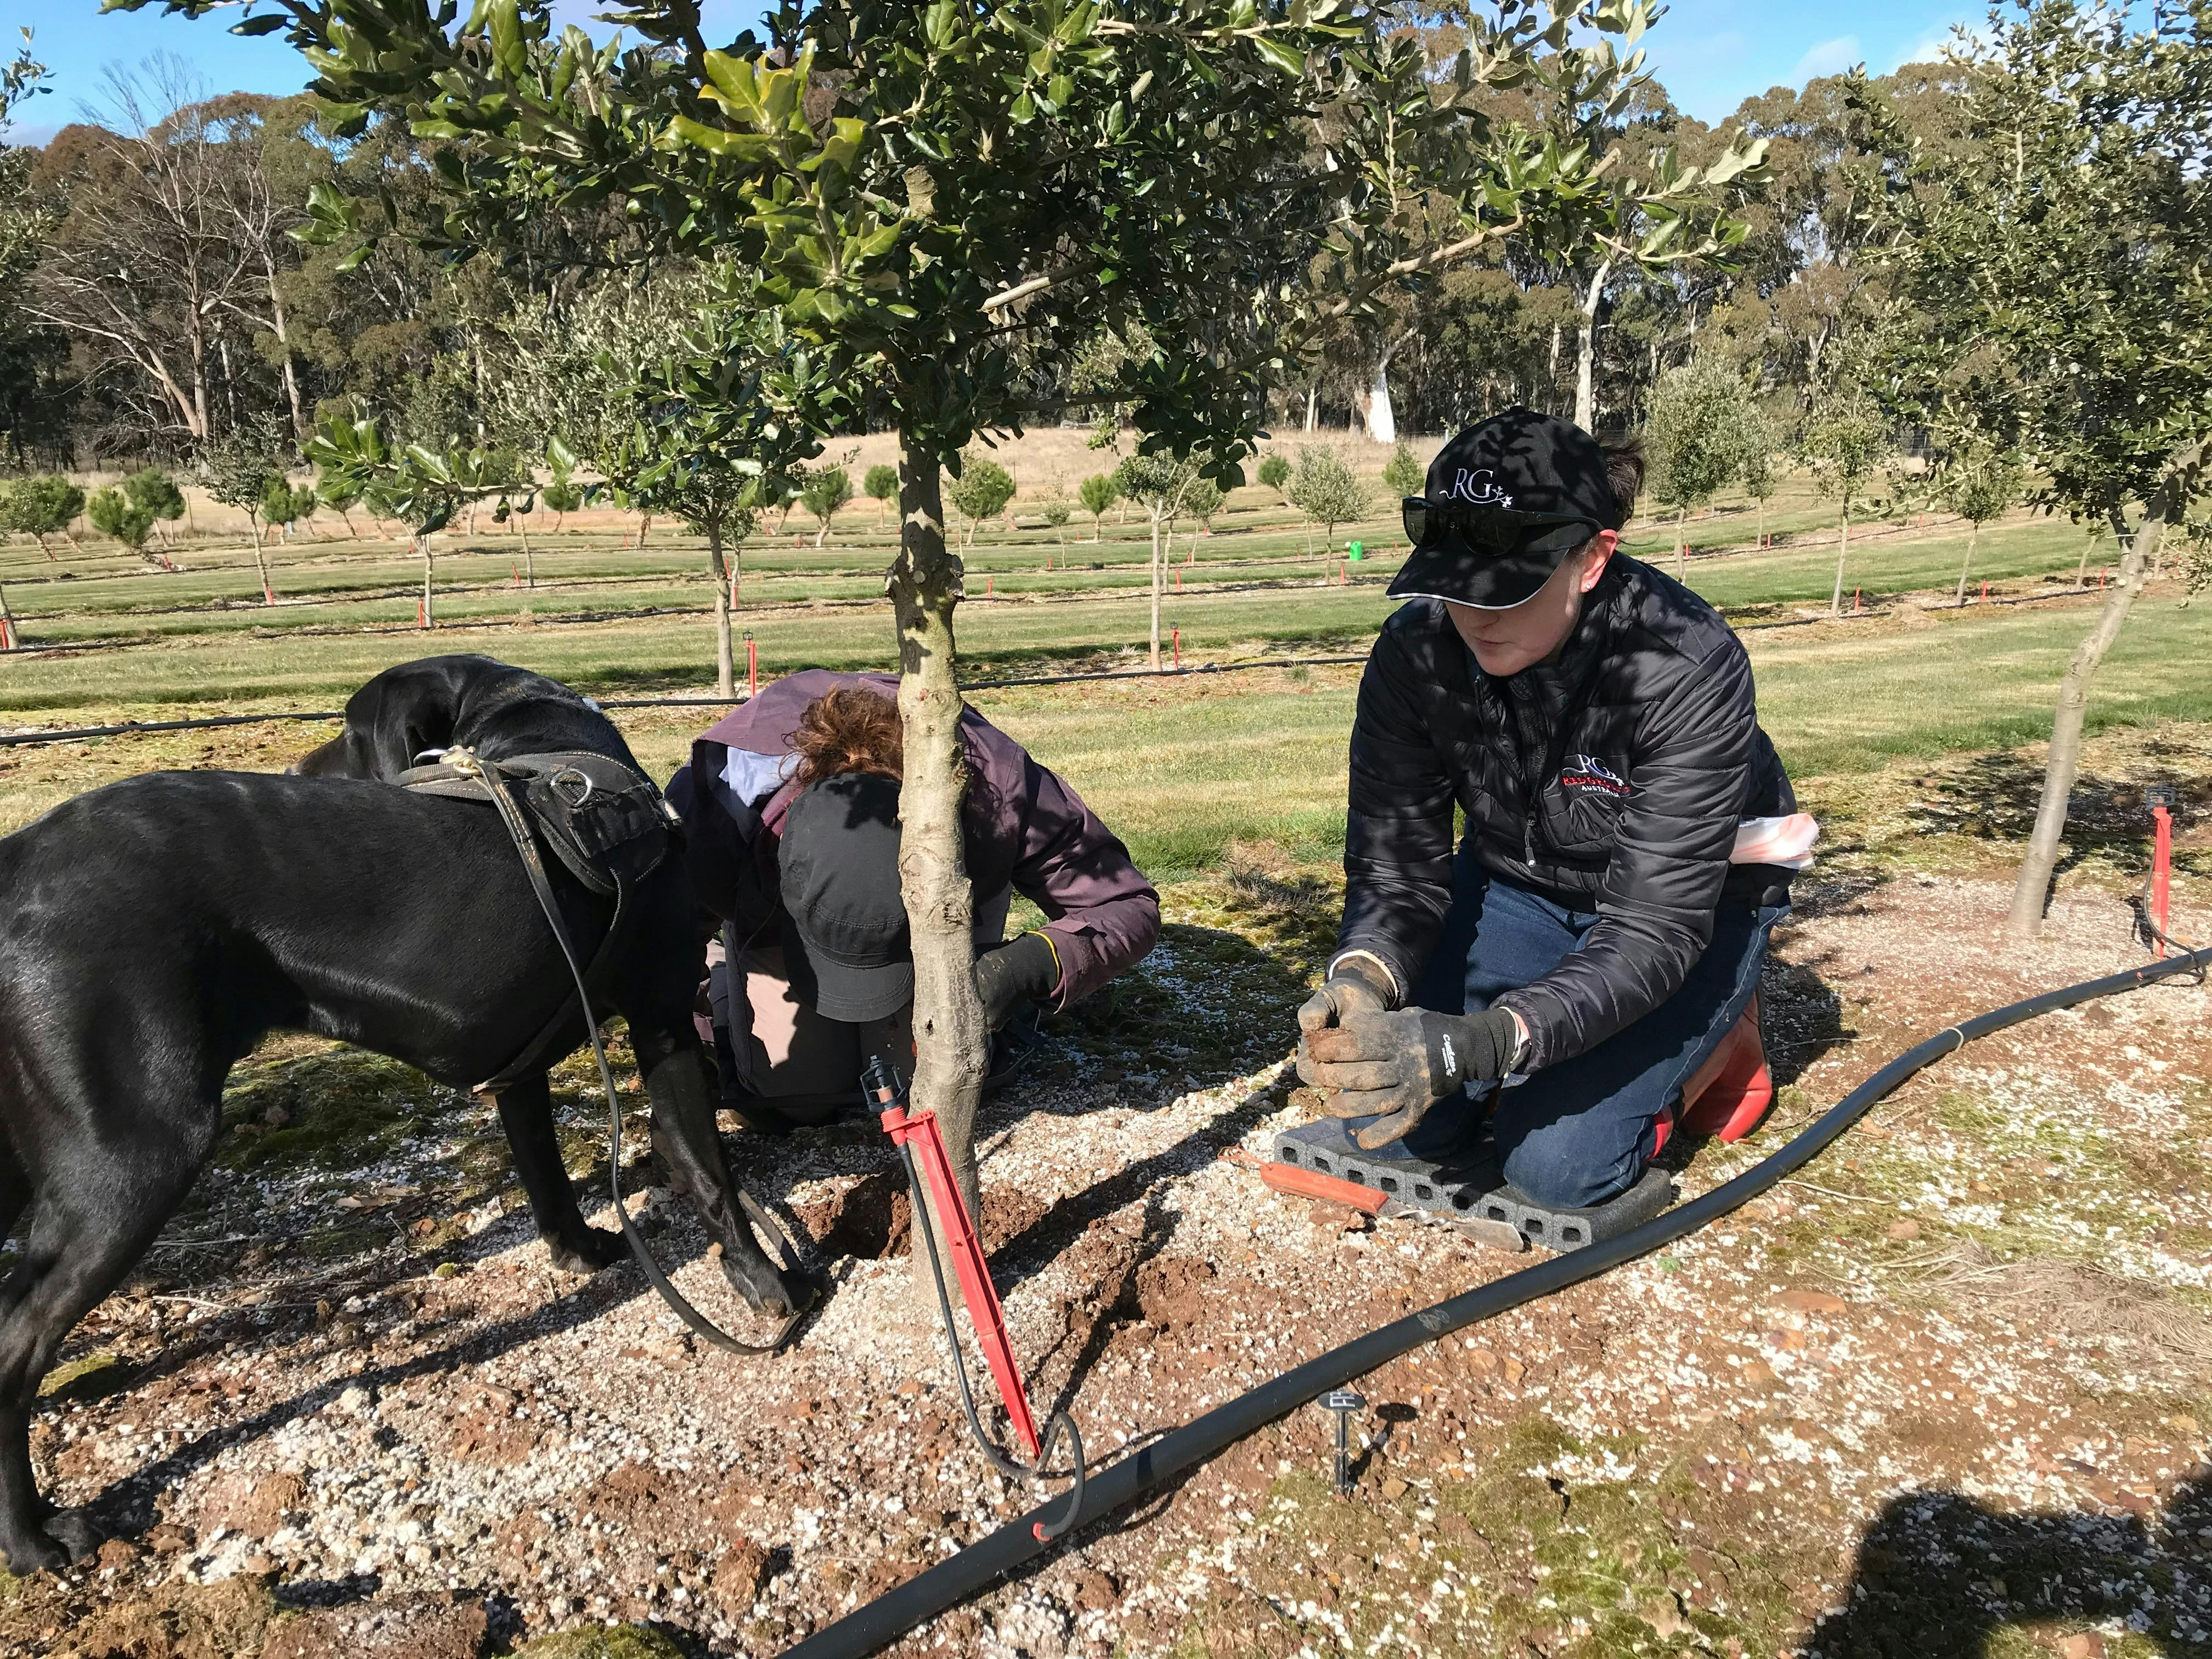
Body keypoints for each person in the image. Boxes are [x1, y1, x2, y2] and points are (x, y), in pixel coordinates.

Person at [1296, 408, 1808, 1212]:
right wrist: (1364, 976)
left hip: (1693, 908)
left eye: (1507, 590)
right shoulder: (1415, 652)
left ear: (1592, 559)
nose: (1475, 616)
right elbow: (1397, 867)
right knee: (1394, 1121)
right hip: (1520, 882)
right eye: (1455, 584)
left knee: (1558, 1170)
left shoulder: (1686, 666)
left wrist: (1487, 1041)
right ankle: (1548, 1043)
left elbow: (1654, 928)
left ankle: (1725, 1035)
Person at [667, 670, 1160, 1127]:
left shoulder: (997, 787)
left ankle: (998, 1007)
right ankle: (727, 966)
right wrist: (687, 1048)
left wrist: (1028, 967)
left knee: (925, 1082)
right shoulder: (714, 808)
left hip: (949, 899)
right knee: (795, 1098)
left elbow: (1126, 904)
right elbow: (660, 943)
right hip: (773, 916)